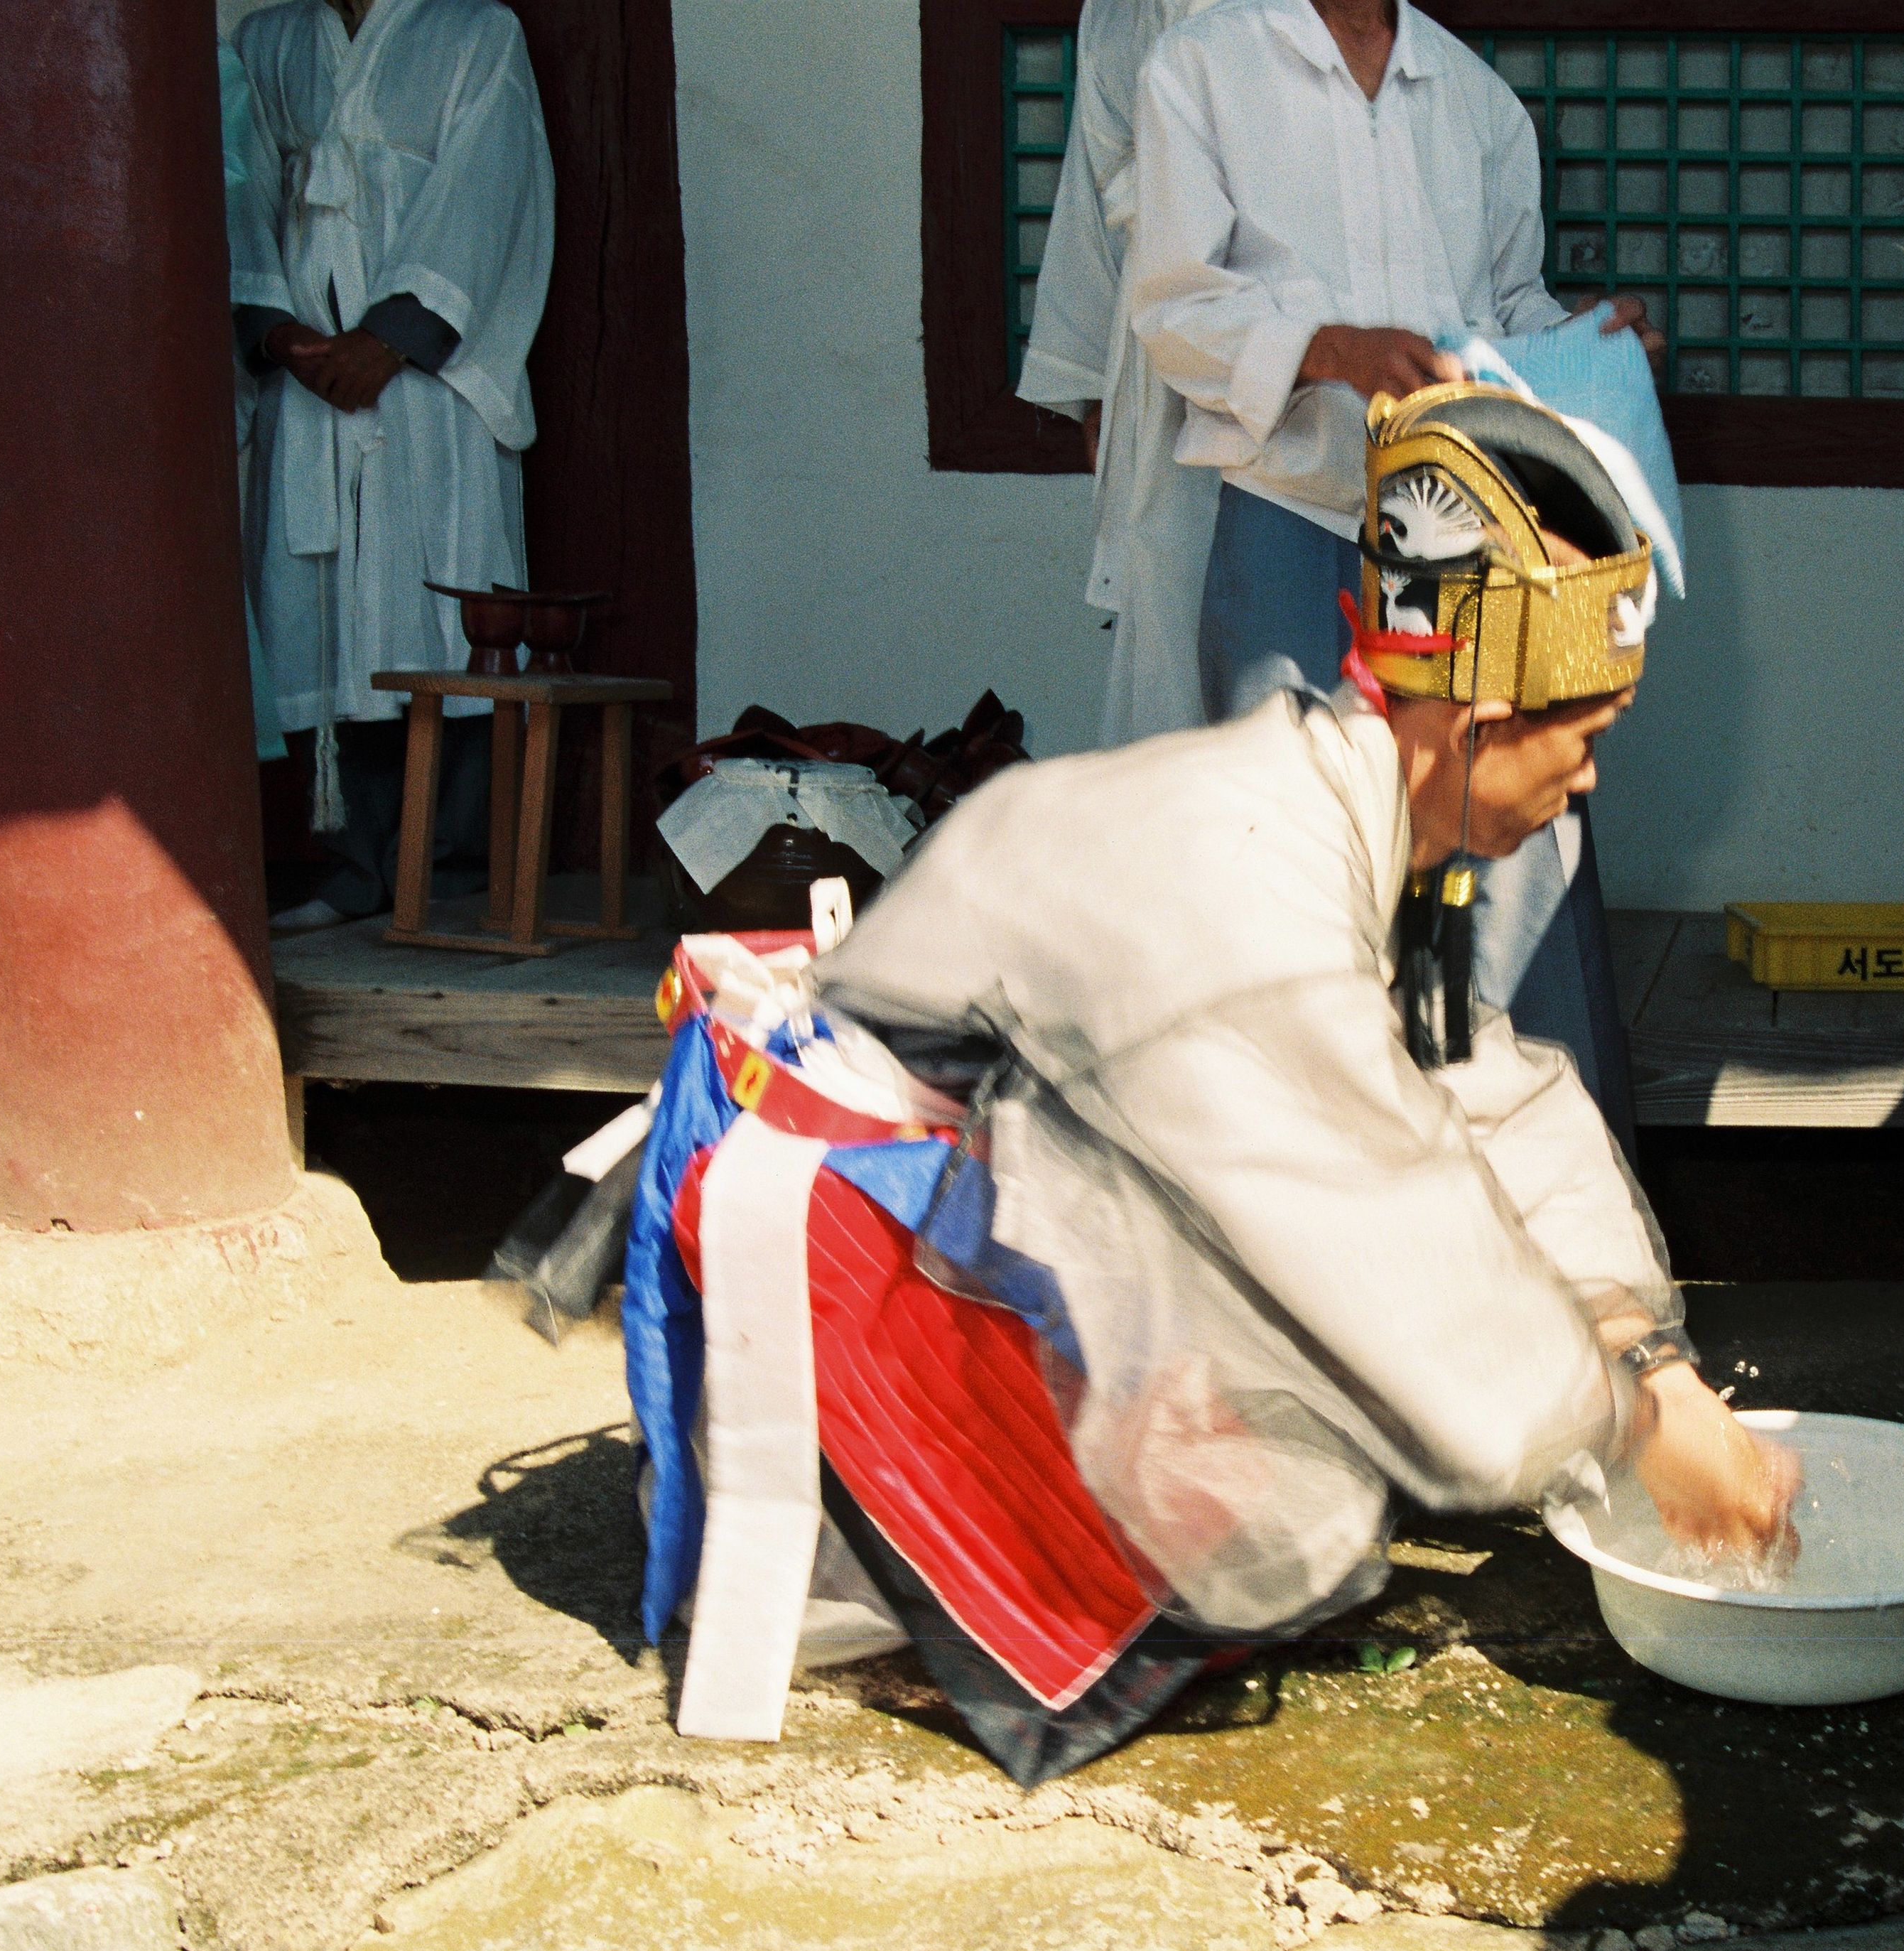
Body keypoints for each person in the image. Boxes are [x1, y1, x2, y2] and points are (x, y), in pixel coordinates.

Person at [622, 385, 1792, 1780]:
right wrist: (1633, 1420)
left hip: (979, 1194)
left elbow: (1488, 1090)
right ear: (1476, 715)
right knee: (1295, 1481)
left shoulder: (1346, 796)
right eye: (1582, 736)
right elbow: (1389, 1235)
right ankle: (920, 1548)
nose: (1589, 780)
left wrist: (1642, 1351)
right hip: (872, 1262)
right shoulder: (1252, 867)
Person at [1124, 0, 1655, 1137]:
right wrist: (1327, 348)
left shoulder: (1473, 104)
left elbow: (1505, 312)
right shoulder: (1204, 67)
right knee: (1292, 872)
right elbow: (1172, 305)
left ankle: (1538, 1226)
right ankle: (1313, 1235)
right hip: (1288, 517)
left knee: (1506, 877)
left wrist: (1580, 341)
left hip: (1471, 536)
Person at [0, 6, 288, 963]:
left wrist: (103, 180)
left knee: (106, 599)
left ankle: (140, 870)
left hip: (91, 300)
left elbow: (218, 147)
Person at [232, 0, 554, 931]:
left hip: (423, 383)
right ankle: (354, 862)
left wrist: (391, 338)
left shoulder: (472, 33)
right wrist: (276, 327)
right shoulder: (269, 42)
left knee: (433, 600)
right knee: (322, 607)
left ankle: (450, 865)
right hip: (308, 377)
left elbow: (489, 196)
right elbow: (237, 192)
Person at [1013, 0, 1231, 747]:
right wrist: (1092, 387)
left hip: (1303, 338)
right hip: (1159, 355)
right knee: (1170, 601)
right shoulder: (1119, 12)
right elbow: (1094, 179)